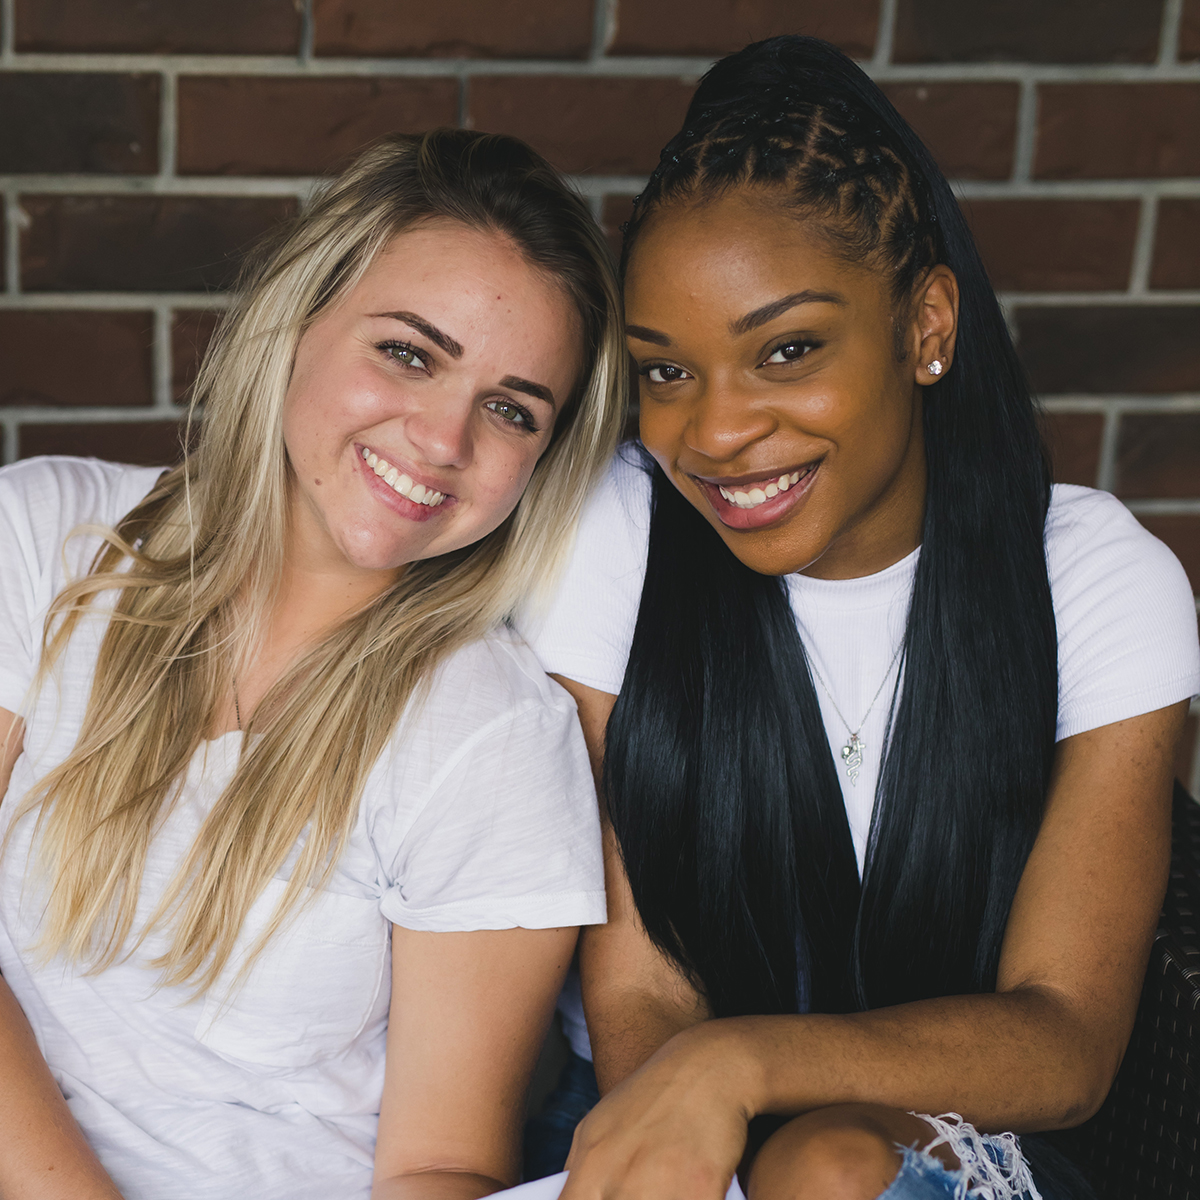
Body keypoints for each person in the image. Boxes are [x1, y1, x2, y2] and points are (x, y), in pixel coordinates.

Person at [515, 36, 1200, 1200]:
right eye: (668, 372)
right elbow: (639, 993)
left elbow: (1069, 1038)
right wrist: (707, 1127)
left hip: (963, 1143)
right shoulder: (615, 538)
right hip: (660, 1129)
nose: (716, 433)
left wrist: (740, 1064)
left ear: (926, 325)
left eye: (787, 350)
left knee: (834, 1168)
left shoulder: (1088, 574)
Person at [0, 128, 626, 1200]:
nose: (442, 439)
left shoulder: (492, 734)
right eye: (410, 352)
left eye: (512, 409)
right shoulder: (45, 539)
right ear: (297, 320)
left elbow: (440, 1164)